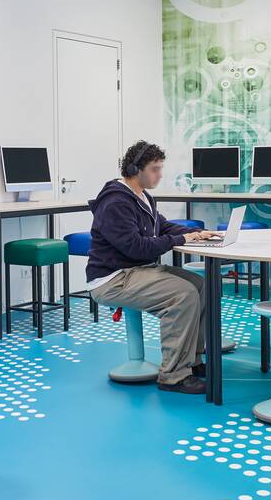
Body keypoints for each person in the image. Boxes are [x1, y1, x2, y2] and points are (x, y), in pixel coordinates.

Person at [87, 140, 221, 394]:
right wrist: (181, 240)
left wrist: (199, 233)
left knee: (200, 285)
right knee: (182, 295)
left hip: (136, 270)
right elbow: (136, 247)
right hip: (113, 278)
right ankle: (173, 375)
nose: (160, 175)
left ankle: (192, 360)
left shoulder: (142, 197)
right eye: (155, 169)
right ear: (136, 169)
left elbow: (163, 227)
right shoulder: (116, 202)